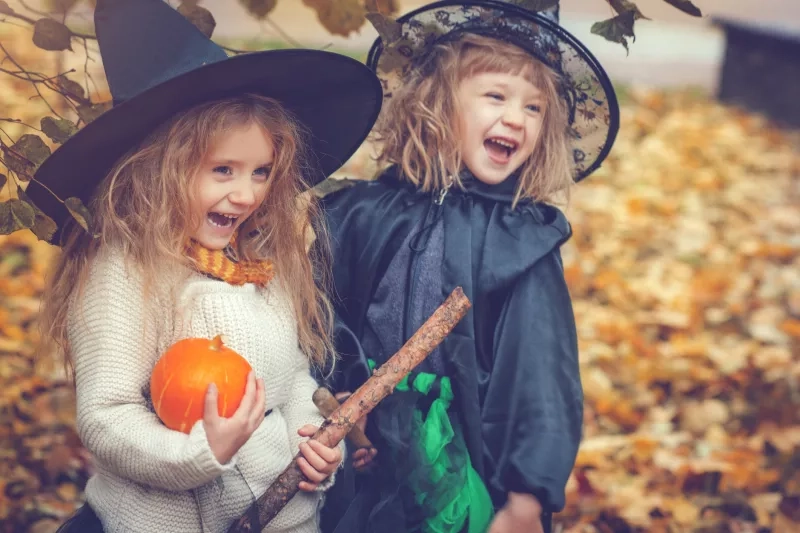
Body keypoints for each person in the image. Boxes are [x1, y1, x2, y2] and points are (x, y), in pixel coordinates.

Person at [27, 0, 383, 531]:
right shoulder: (124, 271)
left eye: (261, 172)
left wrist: (313, 446)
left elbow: (289, 386)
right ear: (157, 170)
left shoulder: (260, 263)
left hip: (282, 520)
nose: (246, 195)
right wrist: (201, 451)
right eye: (223, 170)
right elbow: (107, 416)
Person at [315, 1, 620, 532]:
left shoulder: (518, 240)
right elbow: (324, 321)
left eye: (534, 108)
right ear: (435, 102)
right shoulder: (365, 212)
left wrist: (527, 496)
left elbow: (540, 378)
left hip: (466, 465)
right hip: (360, 459)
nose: (515, 118)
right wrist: (332, 393)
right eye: (496, 96)